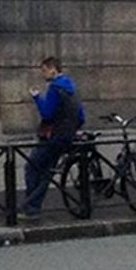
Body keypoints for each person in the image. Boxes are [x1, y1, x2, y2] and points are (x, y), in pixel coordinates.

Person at [21, 55, 81, 216]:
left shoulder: (55, 88)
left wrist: (36, 98)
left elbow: (47, 114)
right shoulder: (71, 87)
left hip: (53, 136)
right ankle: (33, 206)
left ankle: (31, 207)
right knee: (47, 172)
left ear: (53, 70)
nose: (43, 74)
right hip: (67, 136)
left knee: (32, 167)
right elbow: (81, 116)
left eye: (45, 71)